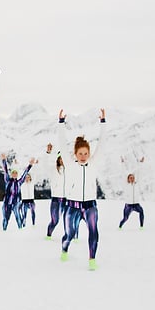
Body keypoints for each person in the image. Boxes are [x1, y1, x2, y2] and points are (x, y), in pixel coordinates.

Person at [56, 108, 107, 270]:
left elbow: (103, 143)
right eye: (80, 153)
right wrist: (61, 123)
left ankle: (92, 259)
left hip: (90, 206)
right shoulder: (70, 164)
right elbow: (62, 144)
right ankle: (64, 249)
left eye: (86, 153)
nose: (83, 156)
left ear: (89, 153)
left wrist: (103, 123)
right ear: (76, 153)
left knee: (93, 231)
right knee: (69, 234)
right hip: (72, 206)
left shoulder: (94, 163)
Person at [0, 154, 35, 231]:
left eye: (16, 173)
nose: (14, 174)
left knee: (18, 217)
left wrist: (30, 165)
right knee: (6, 218)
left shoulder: (19, 182)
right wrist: (3, 160)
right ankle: (4, 231)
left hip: (16, 203)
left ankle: (20, 231)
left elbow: (25, 173)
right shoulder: (8, 181)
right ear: (11, 174)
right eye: (13, 173)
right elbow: (5, 171)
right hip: (7, 203)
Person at [44, 143, 66, 241]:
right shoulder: (53, 170)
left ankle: (72, 237)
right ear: (58, 159)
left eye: (64, 158)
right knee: (54, 220)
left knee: (69, 220)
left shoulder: (70, 170)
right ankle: (48, 235)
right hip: (56, 199)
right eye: (60, 158)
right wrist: (48, 152)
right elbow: (45, 163)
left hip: (67, 199)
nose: (62, 160)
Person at [118, 155, 145, 229]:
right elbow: (123, 174)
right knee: (125, 218)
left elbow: (140, 173)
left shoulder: (137, 184)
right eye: (130, 178)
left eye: (133, 178)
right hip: (128, 205)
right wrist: (122, 163)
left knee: (142, 212)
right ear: (128, 179)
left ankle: (141, 226)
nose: (132, 179)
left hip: (136, 204)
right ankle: (120, 226)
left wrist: (141, 163)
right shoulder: (126, 185)